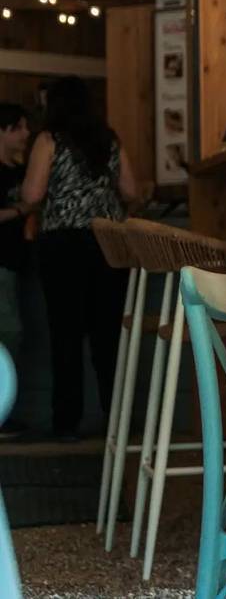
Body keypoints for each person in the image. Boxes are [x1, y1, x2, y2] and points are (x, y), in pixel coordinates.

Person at [21, 79, 138, 441]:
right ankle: (119, 422)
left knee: (65, 335)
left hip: (63, 245)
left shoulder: (48, 139)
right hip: (108, 243)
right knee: (108, 338)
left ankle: (66, 423)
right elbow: (131, 191)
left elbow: (32, 193)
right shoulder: (109, 139)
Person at [0, 104, 32, 437]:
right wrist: (23, 208)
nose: (25, 134)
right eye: (18, 127)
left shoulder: (18, 171)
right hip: (1, 266)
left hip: (14, 263)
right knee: (9, 336)